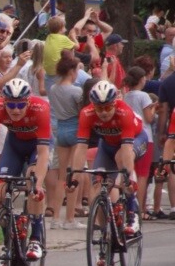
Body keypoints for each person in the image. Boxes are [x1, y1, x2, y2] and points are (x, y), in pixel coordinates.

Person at [0, 79, 52, 260]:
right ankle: (9, 242)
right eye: (11, 105)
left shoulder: (41, 108)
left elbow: (44, 152)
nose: (15, 109)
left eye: (20, 105)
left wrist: (37, 184)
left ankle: (36, 238)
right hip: (14, 145)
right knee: (1, 188)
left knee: (32, 184)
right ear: (3, 101)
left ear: (28, 102)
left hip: (36, 147)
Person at [66, 81, 144, 241]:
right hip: (107, 145)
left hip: (135, 140)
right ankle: (105, 233)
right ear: (92, 105)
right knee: (98, 184)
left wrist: (128, 176)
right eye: (99, 108)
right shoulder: (86, 114)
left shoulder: (124, 112)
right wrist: (74, 176)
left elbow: (127, 149)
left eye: (108, 107)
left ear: (115, 103)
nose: (103, 112)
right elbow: (81, 147)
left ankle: (132, 212)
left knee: (121, 158)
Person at [47, 55, 86, 229]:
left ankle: (55, 217)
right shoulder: (77, 91)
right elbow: (81, 112)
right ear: (72, 71)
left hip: (60, 129)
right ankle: (70, 219)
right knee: (74, 175)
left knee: (62, 176)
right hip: (75, 128)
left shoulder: (53, 88)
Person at [123, 67, 157, 220]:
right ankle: (140, 208)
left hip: (129, 135)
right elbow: (149, 118)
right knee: (143, 174)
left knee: (131, 171)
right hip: (145, 136)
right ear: (141, 79)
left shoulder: (126, 96)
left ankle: (128, 204)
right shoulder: (144, 96)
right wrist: (155, 109)